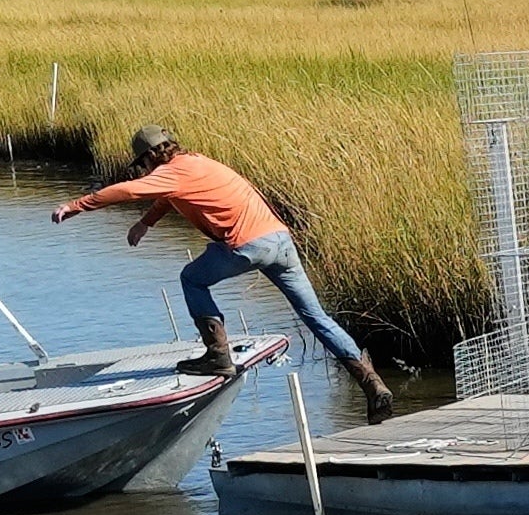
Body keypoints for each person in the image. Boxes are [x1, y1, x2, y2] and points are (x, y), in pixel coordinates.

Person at [54, 128, 381, 393]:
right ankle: (371, 383)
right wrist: (146, 223)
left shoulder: (170, 172)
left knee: (192, 279)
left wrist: (75, 206)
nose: (145, 171)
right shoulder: (197, 163)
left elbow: (126, 191)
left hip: (248, 245)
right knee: (317, 318)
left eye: (143, 164)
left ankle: (217, 356)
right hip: (281, 241)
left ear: (151, 156)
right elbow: (172, 196)